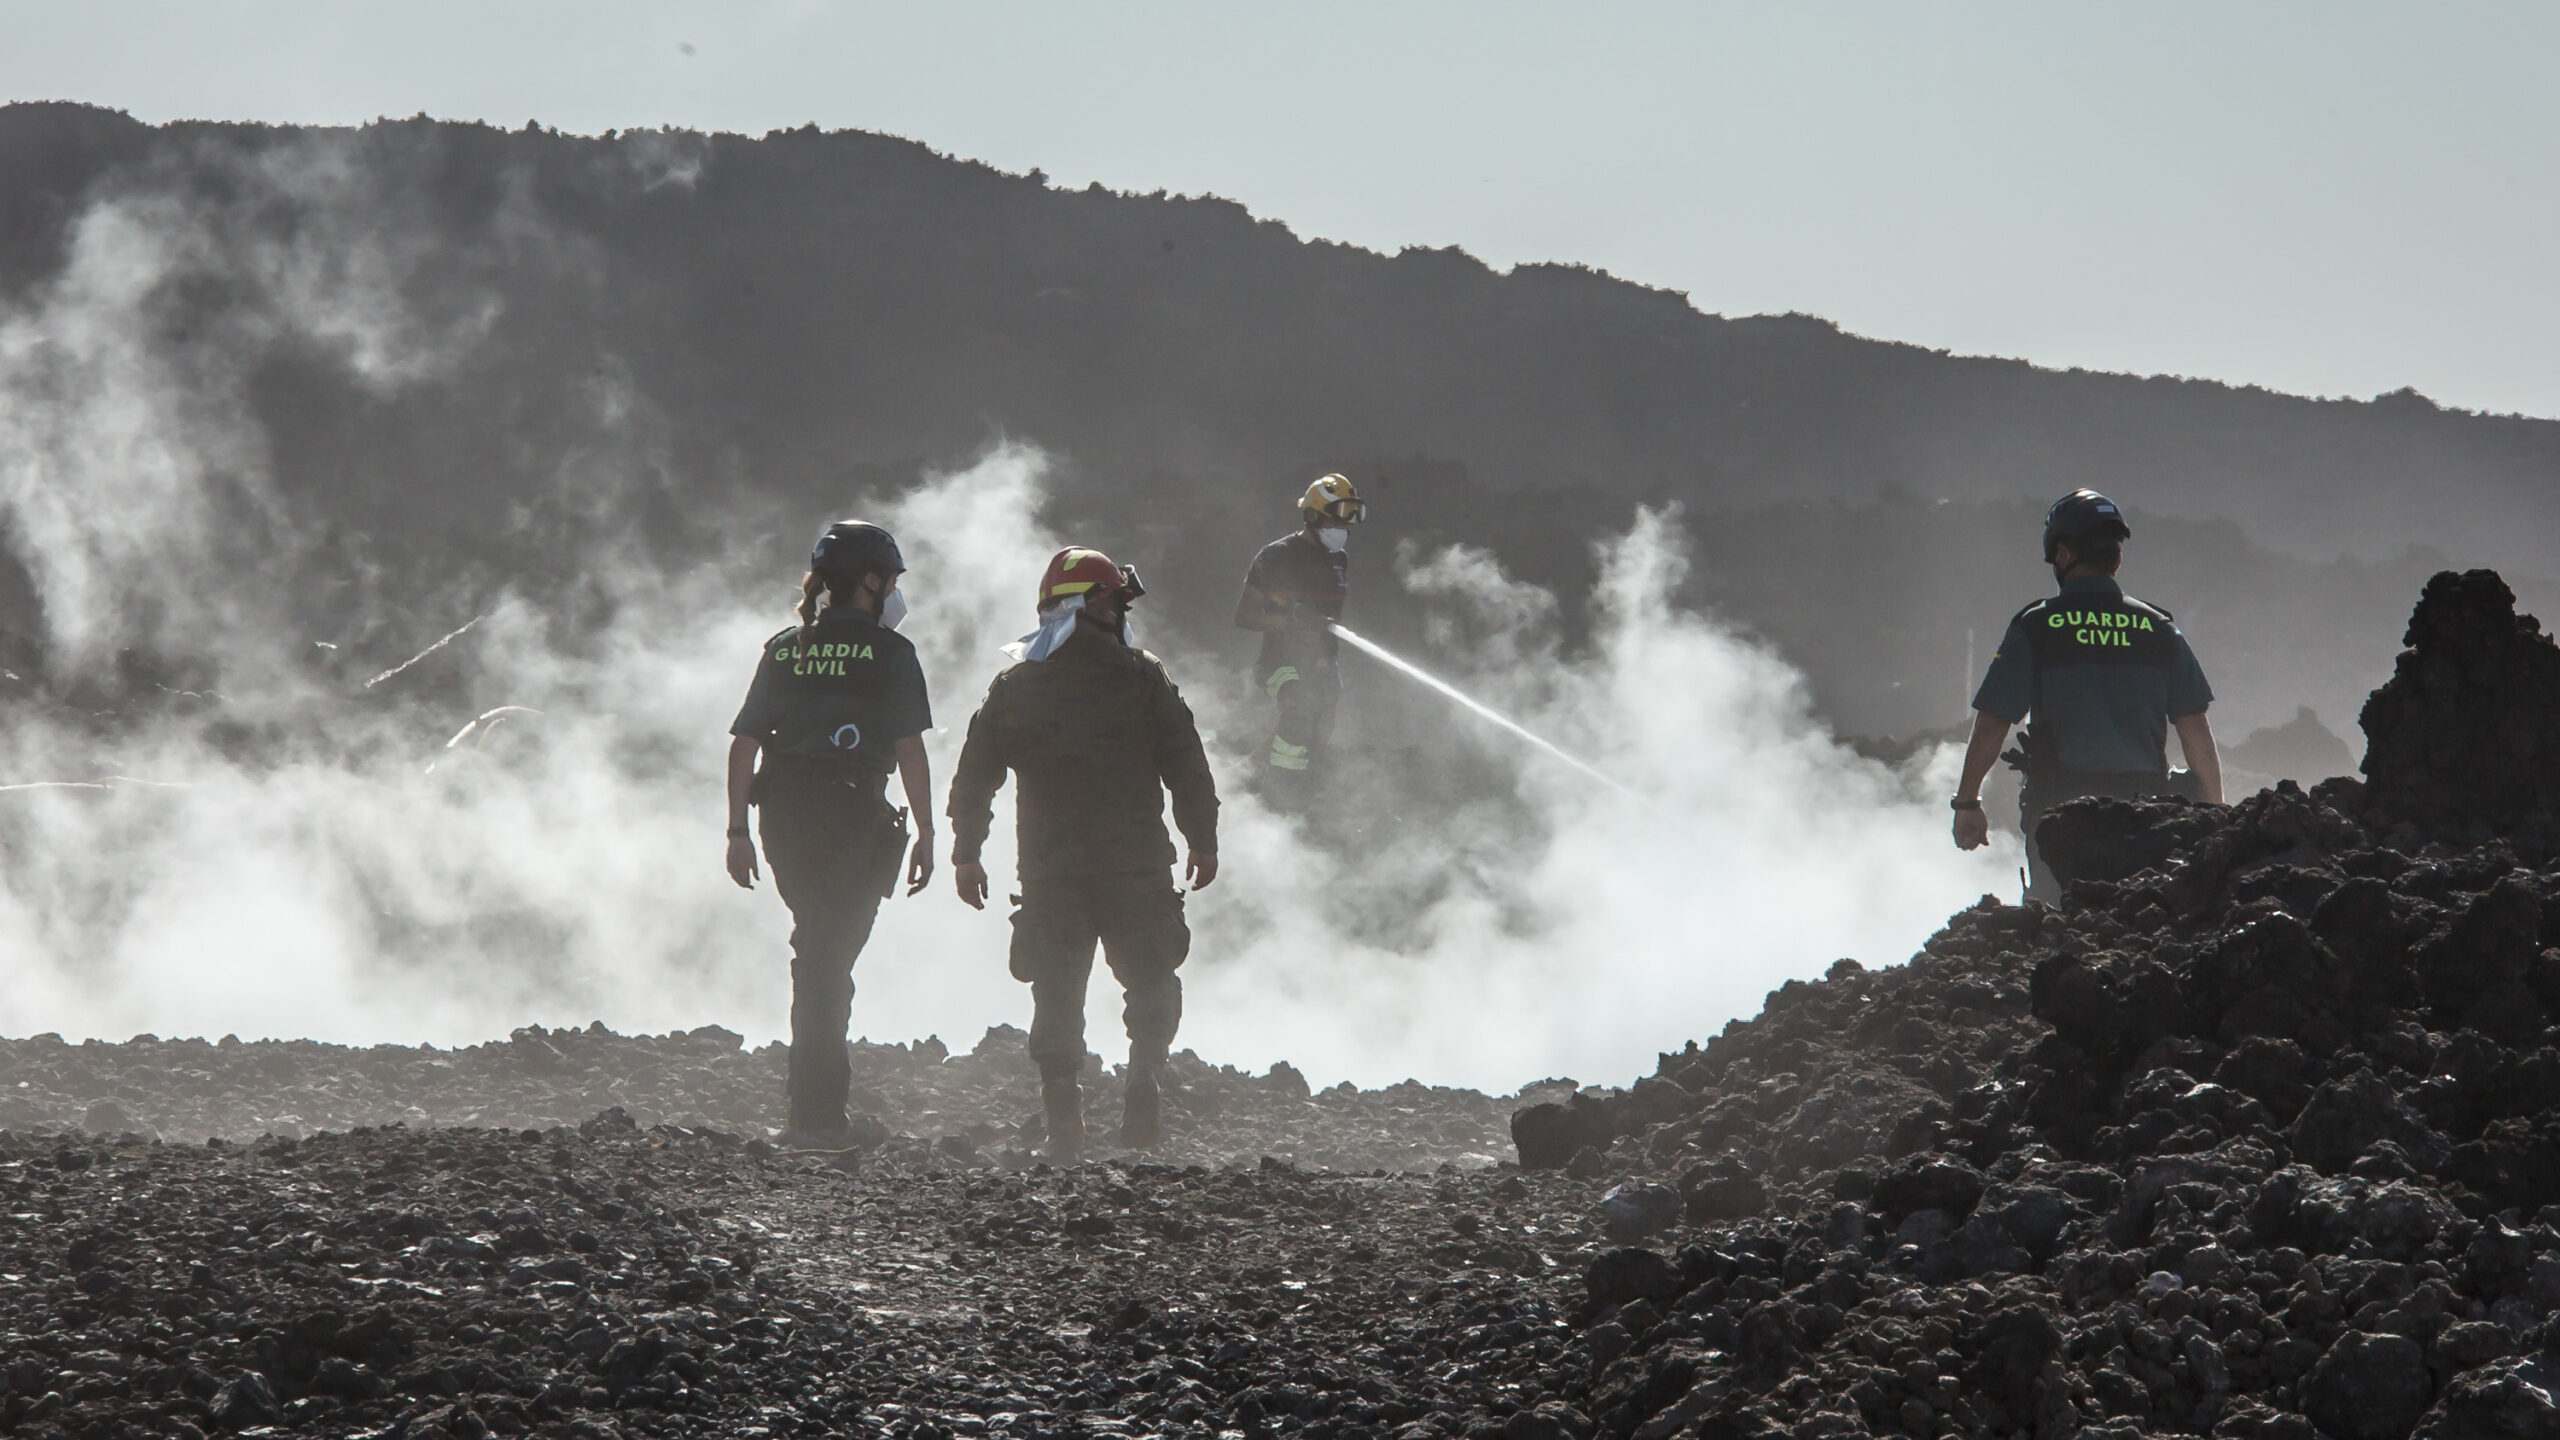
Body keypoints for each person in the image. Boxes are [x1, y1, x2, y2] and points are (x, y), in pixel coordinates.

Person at [948, 546, 1219, 1164]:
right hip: (1137, 864)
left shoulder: (1015, 687)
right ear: (1097, 606)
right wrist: (1201, 838)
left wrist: (968, 851)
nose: (1124, 614)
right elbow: (1186, 762)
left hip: (1051, 870)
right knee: (1151, 975)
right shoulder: (1142, 675)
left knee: (1057, 991)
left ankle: (1064, 1121)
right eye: (1119, 601)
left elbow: (975, 775)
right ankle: (1144, 1071)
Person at [725, 521, 937, 1146]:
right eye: (892, 580)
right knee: (827, 961)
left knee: (815, 948)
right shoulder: (894, 655)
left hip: (783, 819)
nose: (894, 591)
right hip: (853, 818)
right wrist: (926, 831)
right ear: (871, 582)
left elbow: (743, 745)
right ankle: (818, 1118)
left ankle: (810, 1110)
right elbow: (910, 750)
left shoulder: (785, 648)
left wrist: (738, 831)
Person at [1952, 489, 2222, 900]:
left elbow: (1993, 722)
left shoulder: (2037, 627)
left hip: (2060, 819)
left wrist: (1967, 803)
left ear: (2061, 555)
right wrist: (2216, 817)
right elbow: (2195, 731)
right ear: (2116, 558)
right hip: (2145, 818)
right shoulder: (2159, 629)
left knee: (2056, 936)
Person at [1233, 474, 1365, 812]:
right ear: (1313, 516)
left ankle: (1242, 776)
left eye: (1348, 518)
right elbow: (1245, 617)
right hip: (1279, 664)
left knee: (1318, 730)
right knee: (1300, 709)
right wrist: (1291, 622)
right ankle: (1280, 799)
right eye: (1337, 517)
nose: (1343, 526)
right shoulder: (1276, 556)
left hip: (1324, 665)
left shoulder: (1339, 560)